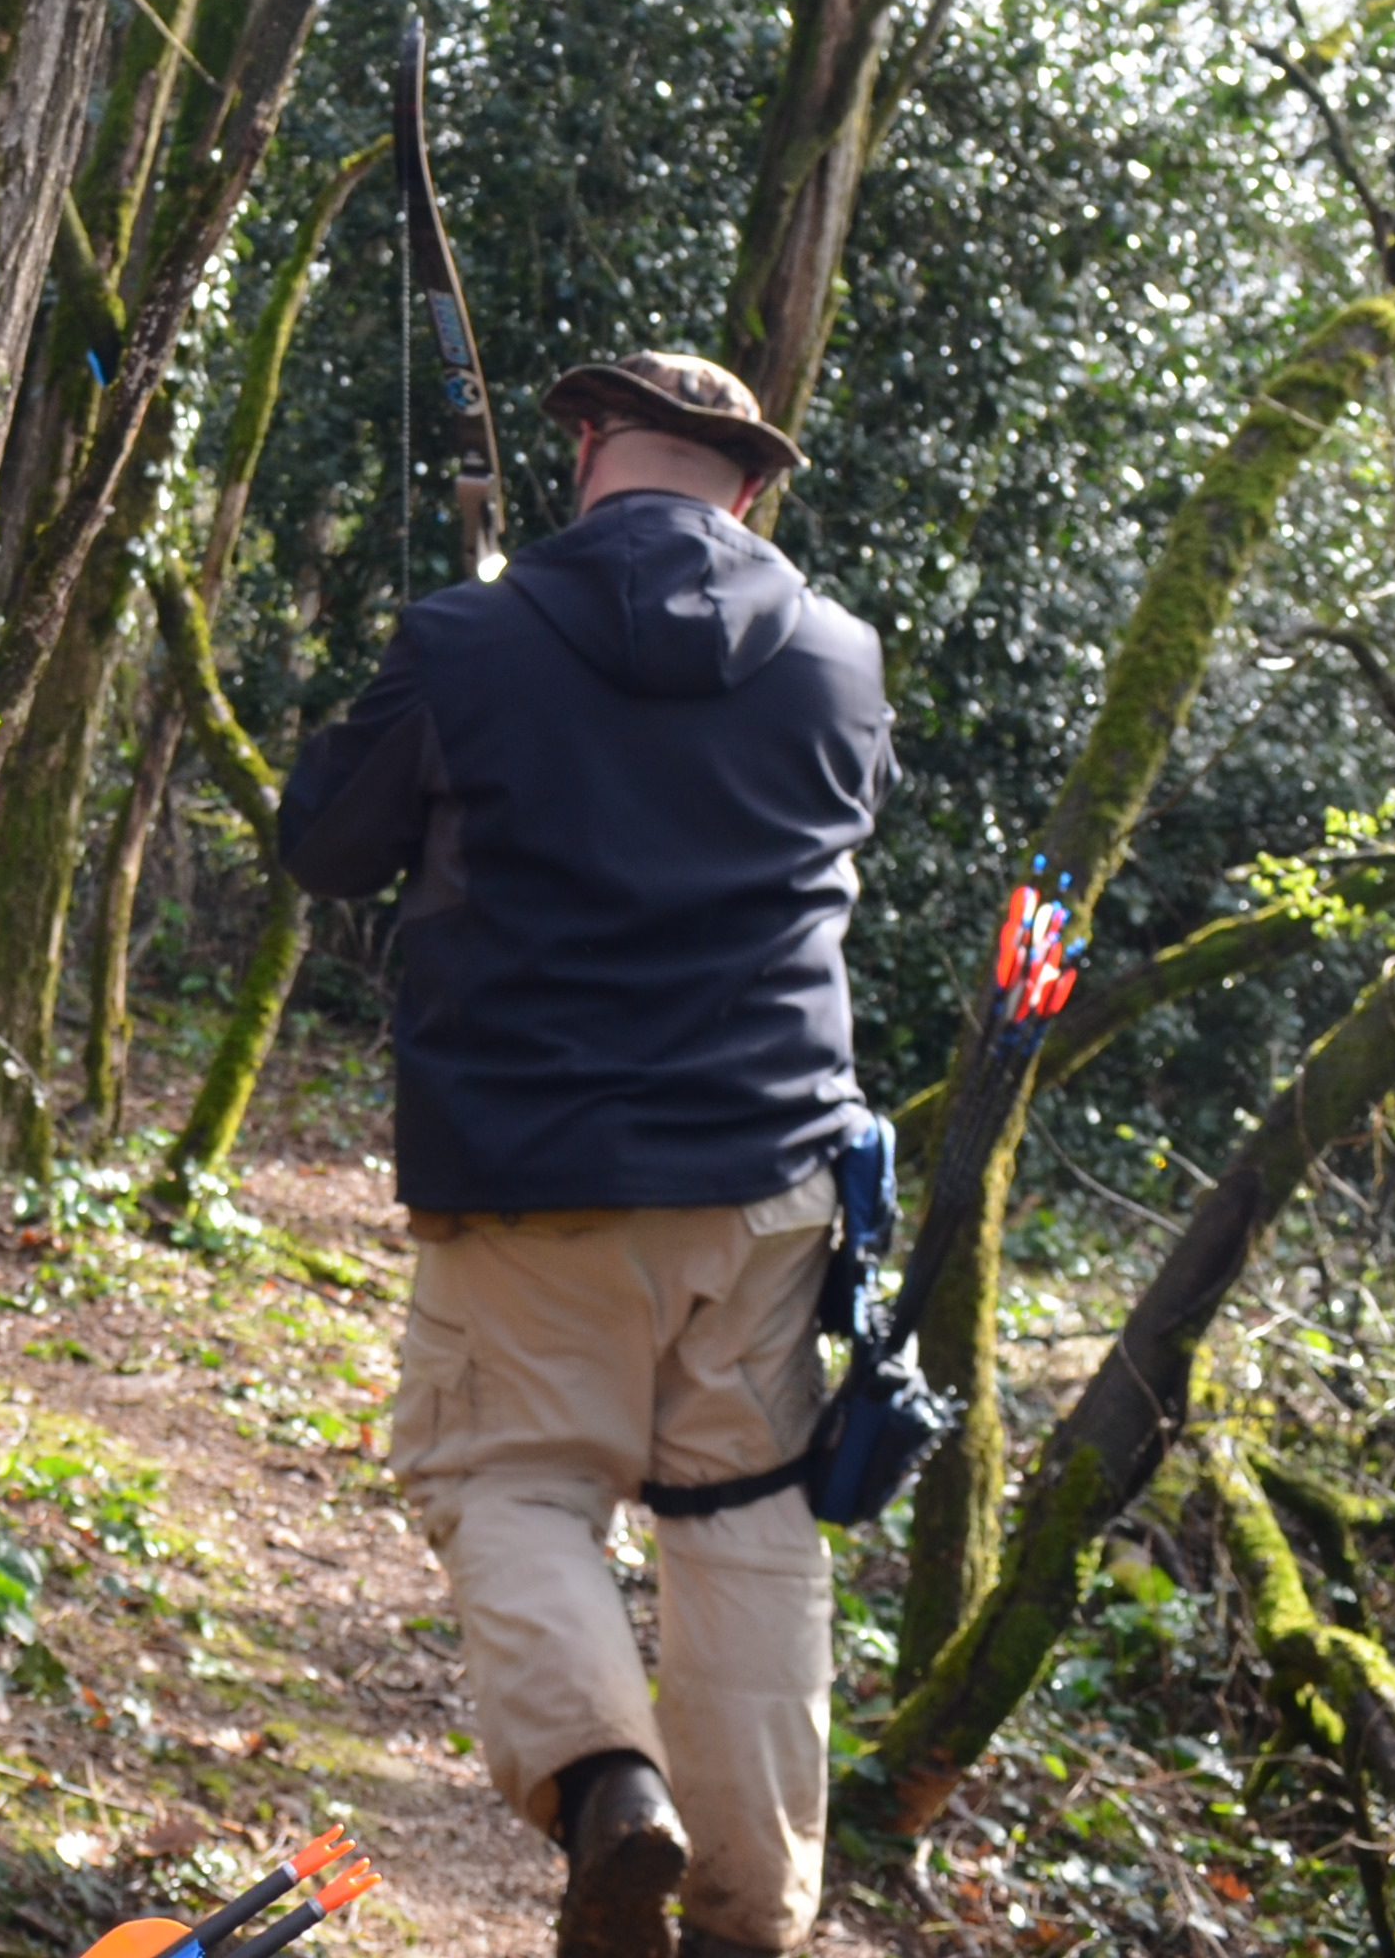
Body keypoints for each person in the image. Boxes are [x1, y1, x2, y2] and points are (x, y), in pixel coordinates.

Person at [273, 351, 892, 1958]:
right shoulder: (840, 659)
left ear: (588, 461)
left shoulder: (470, 639)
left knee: (507, 1478)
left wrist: (444, 689)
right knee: (744, 1508)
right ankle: (755, 1919)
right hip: (768, 1182)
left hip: (529, 1176)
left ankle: (609, 1785)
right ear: (749, 489)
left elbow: (328, 843)